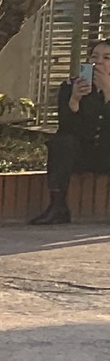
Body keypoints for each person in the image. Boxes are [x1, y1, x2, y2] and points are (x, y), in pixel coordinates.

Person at [32, 43, 110, 225]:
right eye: (94, 57)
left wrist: (108, 94)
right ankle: (58, 207)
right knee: (61, 142)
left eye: (107, 58)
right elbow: (66, 128)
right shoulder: (70, 86)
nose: (99, 62)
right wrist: (74, 100)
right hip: (84, 152)